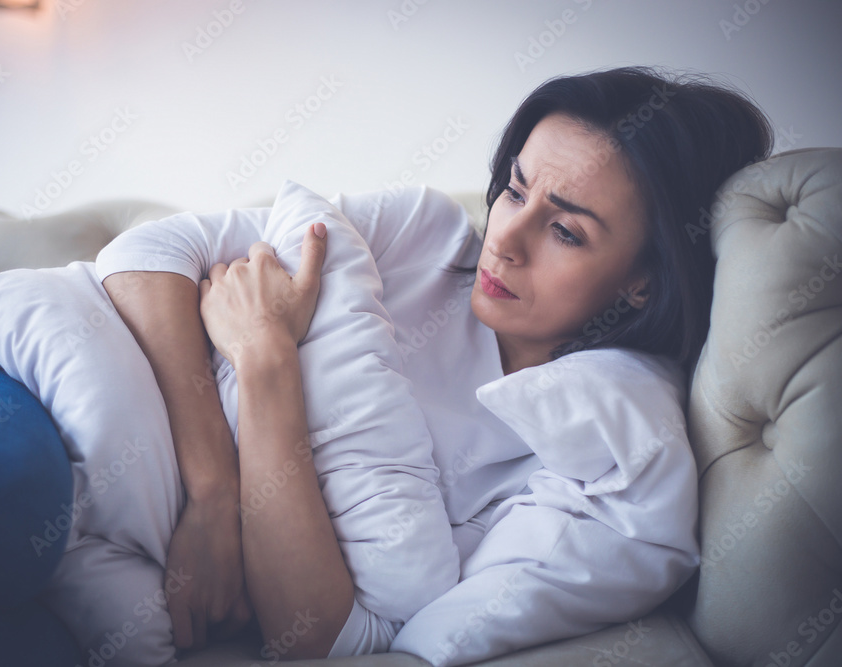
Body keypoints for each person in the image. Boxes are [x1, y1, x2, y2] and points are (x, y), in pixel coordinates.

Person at [97, 65, 773, 665]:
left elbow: (318, 636)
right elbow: (145, 255)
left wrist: (266, 358)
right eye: (513, 190)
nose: (503, 239)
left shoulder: (575, 458)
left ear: (644, 281)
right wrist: (213, 489)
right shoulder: (422, 240)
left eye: (565, 231)